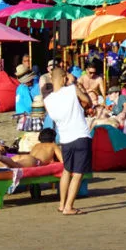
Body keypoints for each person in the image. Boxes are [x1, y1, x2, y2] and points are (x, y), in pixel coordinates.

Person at [44, 67, 92, 215]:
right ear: (64, 78)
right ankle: (69, 207)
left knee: (67, 171)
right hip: (80, 135)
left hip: (65, 138)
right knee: (78, 173)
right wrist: (76, 84)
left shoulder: (47, 100)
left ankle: (62, 204)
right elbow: (87, 100)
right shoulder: (71, 90)